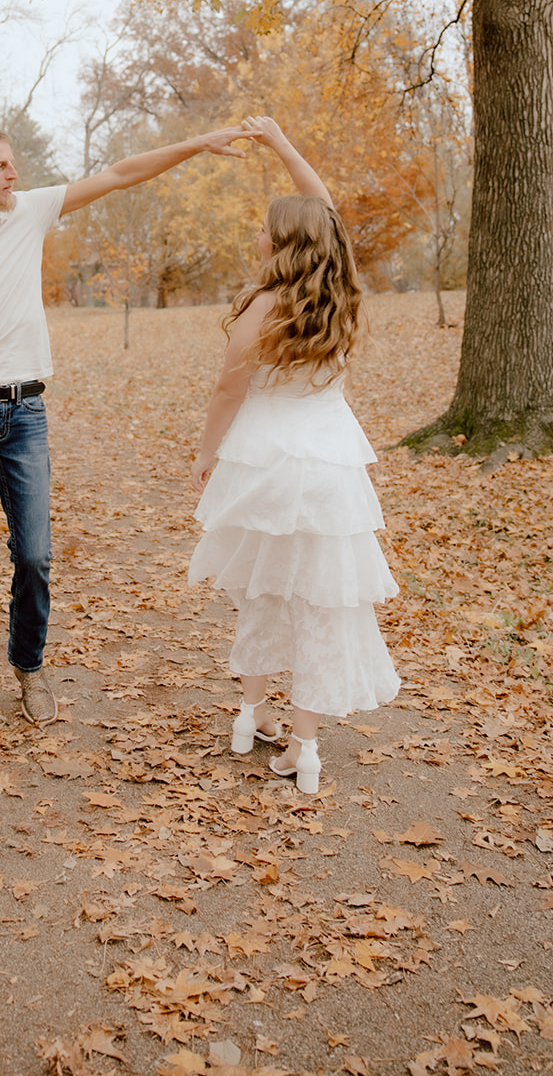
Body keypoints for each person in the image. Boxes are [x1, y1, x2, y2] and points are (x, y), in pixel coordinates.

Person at [0, 120, 248, 771]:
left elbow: (119, 173)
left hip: (25, 412)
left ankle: (28, 664)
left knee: (37, 556)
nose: (12, 174)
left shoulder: (32, 212)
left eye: (13, 163)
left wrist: (196, 143)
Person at [188, 115, 399, 795]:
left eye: (264, 228)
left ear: (281, 243)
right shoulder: (337, 292)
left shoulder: (264, 305)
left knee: (261, 592)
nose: (256, 234)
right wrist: (280, 144)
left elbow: (228, 387)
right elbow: (324, 212)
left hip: (267, 462)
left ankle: (247, 717)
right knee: (319, 605)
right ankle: (303, 750)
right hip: (332, 462)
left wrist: (204, 456)